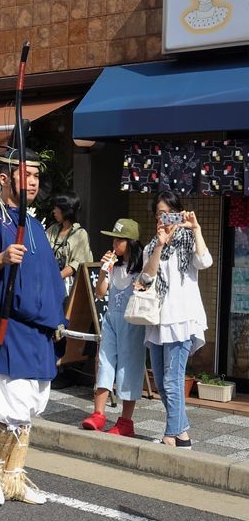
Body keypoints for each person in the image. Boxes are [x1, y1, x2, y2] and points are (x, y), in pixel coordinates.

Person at [0, 147, 66, 506]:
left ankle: (14, 477)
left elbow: (49, 281)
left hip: (38, 332)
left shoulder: (34, 226)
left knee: (31, 406)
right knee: (11, 407)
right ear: (4, 178)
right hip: (9, 327)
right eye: (26, 174)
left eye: (36, 176)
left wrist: (57, 322)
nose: (33, 182)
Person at [141, 191, 212, 449]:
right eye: (159, 214)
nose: (164, 218)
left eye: (168, 212)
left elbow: (204, 261)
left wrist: (197, 229)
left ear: (178, 212)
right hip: (157, 320)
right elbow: (146, 279)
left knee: (172, 381)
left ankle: (171, 436)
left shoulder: (187, 239)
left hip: (182, 319)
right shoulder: (152, 244)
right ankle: (183, 435)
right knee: (161, 382)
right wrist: (159, 245)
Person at [80, 219, 145, 435]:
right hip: (111, 320)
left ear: (131, 242)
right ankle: (98, 414)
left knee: (129, 367)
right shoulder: (113, 266)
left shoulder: (141, 269)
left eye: (119, 239)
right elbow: (100, 293)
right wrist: (103, 270)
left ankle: (125, 422)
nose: (115, 243)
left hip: (133, 323)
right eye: (114, 239)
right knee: (105, 362)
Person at [46, 190, 93, 297]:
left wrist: (54, 278)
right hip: (50, 285)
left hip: (69, 290)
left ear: (65, 209)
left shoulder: (80, 234)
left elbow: (76, 265)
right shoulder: (52, 229)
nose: (54, 211)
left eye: (56, 208)